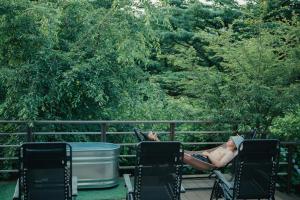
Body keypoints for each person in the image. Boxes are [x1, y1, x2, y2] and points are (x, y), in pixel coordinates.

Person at [147, 131, 244, 168]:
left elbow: (219, 165)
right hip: (201, 158)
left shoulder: (230, 153)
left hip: (205, 162)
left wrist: (209, 155)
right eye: (230, 139)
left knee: (176, 152)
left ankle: (155, 139)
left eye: (231, 140)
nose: (229, 140)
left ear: (235, 145)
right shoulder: (224, 147)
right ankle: (155, 140)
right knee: (175, 151)